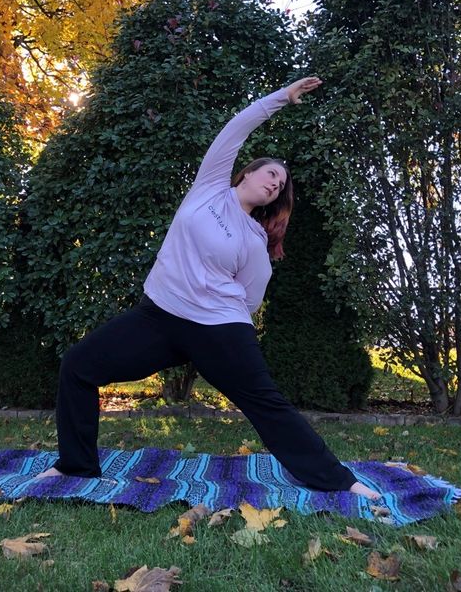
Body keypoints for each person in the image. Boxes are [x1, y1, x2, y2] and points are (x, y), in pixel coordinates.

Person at [36, 77, 381, 500]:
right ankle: (76, 467)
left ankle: (339, 480)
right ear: (247, 172)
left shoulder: (254, 238)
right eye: (271, 173)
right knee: (78, 365)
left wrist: (222, 319)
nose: (275, 183)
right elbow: (236, 128)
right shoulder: (208, 188)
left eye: (280, 184)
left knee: (265, 403)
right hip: (158, 316)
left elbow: (251, 296)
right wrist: (280, 100)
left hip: (218, 327)